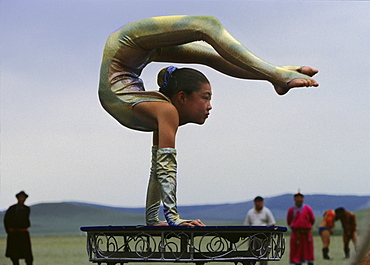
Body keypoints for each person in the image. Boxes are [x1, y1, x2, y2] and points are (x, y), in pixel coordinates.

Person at [99, 15, 319, 227]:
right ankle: (278, 76)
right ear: (182, 97)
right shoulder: (167, 110)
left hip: (132, 59)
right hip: (125, 42)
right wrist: (174, 219)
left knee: (210, 55)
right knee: (207, 24)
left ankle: (277, 75)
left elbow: (157, 168)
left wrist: (153, 219)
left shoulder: (159, 109)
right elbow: (166, 168)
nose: (210, 106)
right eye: (205, 98)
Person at [3, 191, 33, 265]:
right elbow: (6, 220)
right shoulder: (12, 209)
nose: (22, 199)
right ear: (17, 198)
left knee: (28, 256)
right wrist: (9, 231)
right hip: (14, 234)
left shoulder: (27, 209)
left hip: (23, 233)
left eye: (23, 197)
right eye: (21, 197)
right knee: (14, 255)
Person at [244, 196, 276, 265]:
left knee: (264, 253)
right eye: (257, 202)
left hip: (264, 236)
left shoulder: (267, 212)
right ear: (254, 203)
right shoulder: (250, 212)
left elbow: (272, 223)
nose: (258, 204)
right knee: (252, 252)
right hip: (253, 236)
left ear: (262, 203)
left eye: (260, 202)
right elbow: (246, 225)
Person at [286, 193, 315, 265]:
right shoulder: (291, 210)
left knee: (308, 252)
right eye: (297, 198)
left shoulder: (308, 209)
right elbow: (289, 221)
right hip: (296, 234)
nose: (299, 200)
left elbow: (312, 219)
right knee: (296, 253)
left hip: (306, 234)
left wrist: (306, 226)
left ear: (303, 199)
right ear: (294, 199)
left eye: (300, 198)